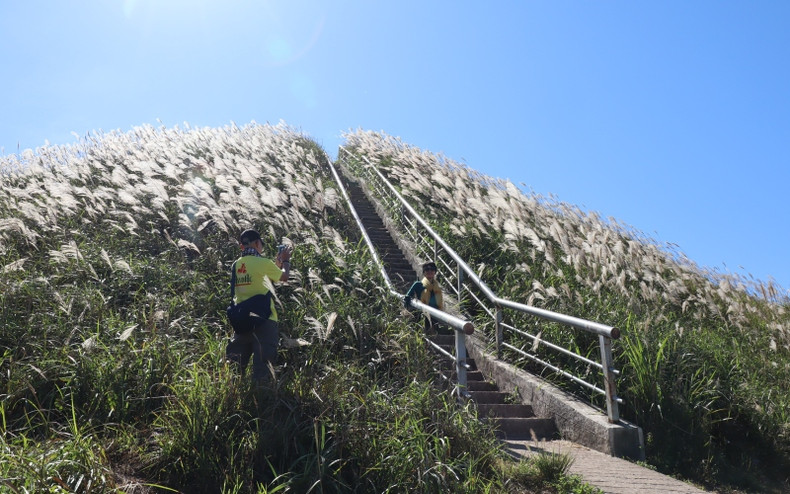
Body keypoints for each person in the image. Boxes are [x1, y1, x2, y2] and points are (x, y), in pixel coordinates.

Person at [225, 229, 292, 384]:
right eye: (261, 243)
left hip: (242, 321)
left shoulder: (236, 265)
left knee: (235, 366)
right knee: (263, 369)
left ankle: (232, 399)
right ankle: (260, 402)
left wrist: (277, 264)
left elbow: (261, 277)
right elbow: (284, 277)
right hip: (265, 321)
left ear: (242, 246)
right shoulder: (263, 263)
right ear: (256, 243)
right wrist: (286, 261)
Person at [403, 261, 446, 334]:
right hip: (423, 313)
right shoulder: (418, 284)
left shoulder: (437, 286)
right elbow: (407, 296)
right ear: (424, 272)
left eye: (432, 269)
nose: (429, 271)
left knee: (434, 333)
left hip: (435, 314)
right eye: (427, 269)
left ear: (435, 271)